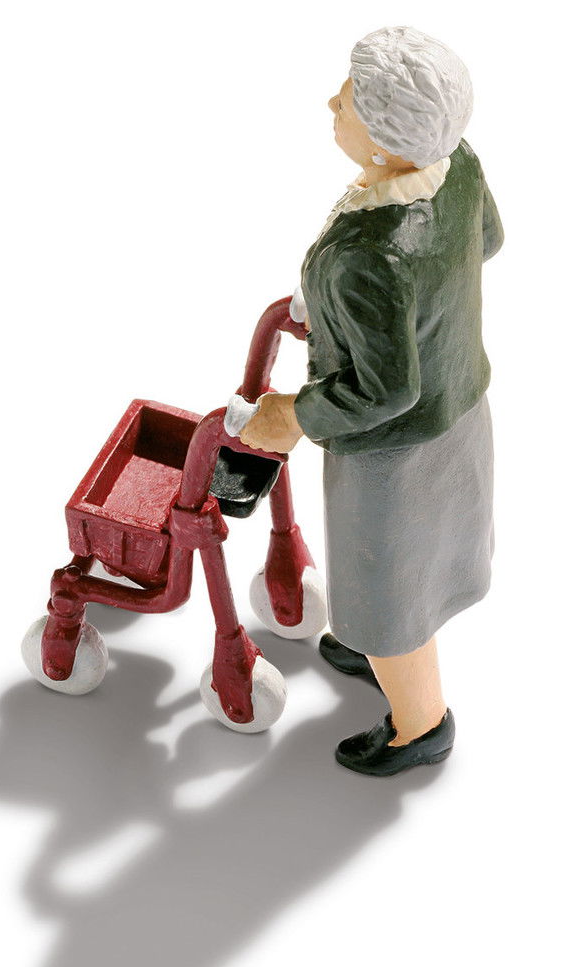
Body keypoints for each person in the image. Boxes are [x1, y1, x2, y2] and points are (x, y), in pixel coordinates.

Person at [234, 27, 501, 776]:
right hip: (460, 409)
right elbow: (485, 241)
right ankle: (375, 632)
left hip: (394, 451)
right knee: (396, 567)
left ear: (385, 145)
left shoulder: (369, 253)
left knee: (389, 582)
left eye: (347, 103)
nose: (332, 104)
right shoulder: (457, 165)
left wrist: (291, 414)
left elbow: (384, 392)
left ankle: (419, 724)